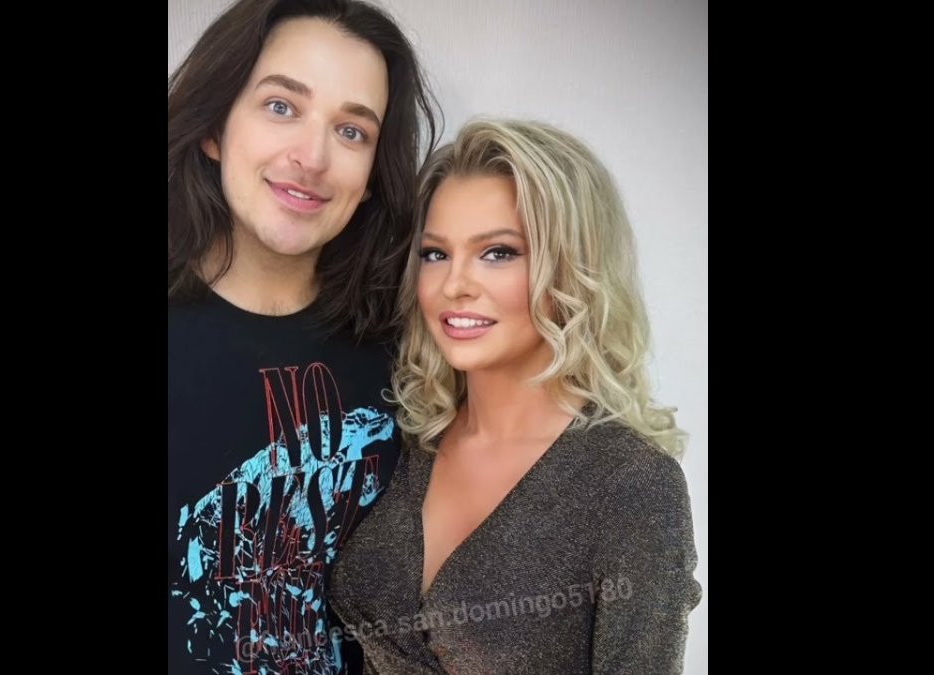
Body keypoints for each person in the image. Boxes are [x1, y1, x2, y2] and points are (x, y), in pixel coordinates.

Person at [329, 118, 701, 674]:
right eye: (435, 254)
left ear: (571, 269)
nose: (454, 284)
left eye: (498, 252)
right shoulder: (408, 438)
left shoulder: (631, 486)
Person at [167, 1, 438, 673]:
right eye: (281, 106)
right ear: (214, 128)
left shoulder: (414, 348)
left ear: (372, 173)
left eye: (351, 130)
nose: (312, 158)